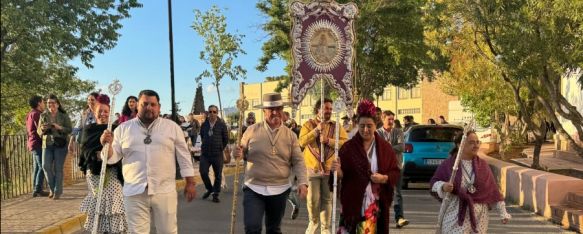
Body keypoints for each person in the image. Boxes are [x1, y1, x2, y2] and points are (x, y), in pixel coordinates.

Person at [100, 90, 197, 234]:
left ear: (159, 107)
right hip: (134, 192)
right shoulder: (123, 129)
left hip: (164, 190)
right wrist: (105, 145)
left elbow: (184, 156)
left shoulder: (172, 128)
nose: (149, 107)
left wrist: (190, 182)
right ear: (137, 106)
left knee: (168, 231)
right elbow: (112, 157)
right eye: (145, 104)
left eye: (153, 104)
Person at [233, 93, 308, 234]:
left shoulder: (290, 135)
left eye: (278, 109)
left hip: (279, 189)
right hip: (253, 187)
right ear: (264, 111)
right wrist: (237, 153)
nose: (275, 112)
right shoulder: (251, 130)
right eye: (271, 109)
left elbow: (298, 160)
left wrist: (303, 182)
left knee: (274, 229)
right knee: (252, 227)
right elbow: (240, 150)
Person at [334, 99, 401, 234]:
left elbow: (395, 172)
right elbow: (342, 175)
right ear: (357, 125)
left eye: (369, 126)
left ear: (376, 125)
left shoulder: (385, 148)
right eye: (362, 125)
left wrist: (384, 178)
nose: (365, 130)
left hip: (374, 205)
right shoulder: (348, 148)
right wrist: (338, 171)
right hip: (352, 202)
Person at [430, 131, 511, 233]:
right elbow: (434, 183)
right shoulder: (448, 165)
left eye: (477, 142)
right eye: (471, 142)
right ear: (460, 144)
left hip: (479, 217)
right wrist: (443, 186)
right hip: (455, 214)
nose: (476, 145)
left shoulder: (483, 165)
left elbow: (493, 190)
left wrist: (503, 212)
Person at [78, 94, 127, 233]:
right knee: (98, 203)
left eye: (106, 111)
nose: (103, 114)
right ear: (94, 112)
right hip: (95, 174)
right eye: (100, 111)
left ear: (110, 112)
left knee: (113, 202)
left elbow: (121, 151)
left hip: (112, 173)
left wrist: (109, 148)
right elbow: (84, 151)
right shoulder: (88, 129)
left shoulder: (117, 129)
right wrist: (97, 153)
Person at [299, 98, 348, 234]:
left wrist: (329, 141)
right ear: (318, 109)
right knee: (313, 200)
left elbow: (345, 143)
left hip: (330, 169)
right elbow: (302, 142)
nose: (329, 111)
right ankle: (313, 222)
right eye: (326, 108)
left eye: (330, 109)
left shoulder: (337, 126)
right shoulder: (308, 124)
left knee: (327, 200)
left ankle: (325, 228)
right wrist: (316, 131)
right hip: (312, 169)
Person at [376, 110, 409, 228]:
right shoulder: (377, 133)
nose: (391, 122)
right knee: (380, 193)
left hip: (396, 167)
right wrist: (389, 147)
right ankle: (378, 219)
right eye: (389, 119)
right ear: (382, 119)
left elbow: (402, 147)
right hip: (381, 168)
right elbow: (377, 147)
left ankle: (399, 218)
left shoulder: (398, 131)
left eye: (392, 119)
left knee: (397, 193)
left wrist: (387, 147)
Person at [38, 94, 72, 200]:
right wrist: (42, 129)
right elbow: (38, 131)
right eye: (48, 103)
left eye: (52, 102)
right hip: (47, 144)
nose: (50, 104)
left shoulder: (63, 115)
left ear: (57, 104)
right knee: (45, 166)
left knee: (58, 168)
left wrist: (59, 127)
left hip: (60, 145)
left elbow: (69, 129)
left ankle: (57, 192)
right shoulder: (43, 115)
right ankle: (52, 189)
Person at [199, 105, 229, 203]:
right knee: (203, 172)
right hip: (205, 154)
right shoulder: (204, 125)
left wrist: (220, 147)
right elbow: (202, 136)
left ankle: (215, 194)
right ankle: (209, 189)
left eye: (214, 112)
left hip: (217, 154)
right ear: (208, 113)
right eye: (210, 112)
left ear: (217, 113)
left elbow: (225, 139)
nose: (212, 113)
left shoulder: (222, 125)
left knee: (218, 175)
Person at [26, 95, 49, 197]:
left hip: (32, 143)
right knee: (42, 166)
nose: (44, 104)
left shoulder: (30, 113)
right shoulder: (37, 114)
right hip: (37, 143)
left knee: (37, 167)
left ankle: (35, 189)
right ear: (39, 103)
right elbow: (40, 130)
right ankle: (38, 189)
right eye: (43, 102)